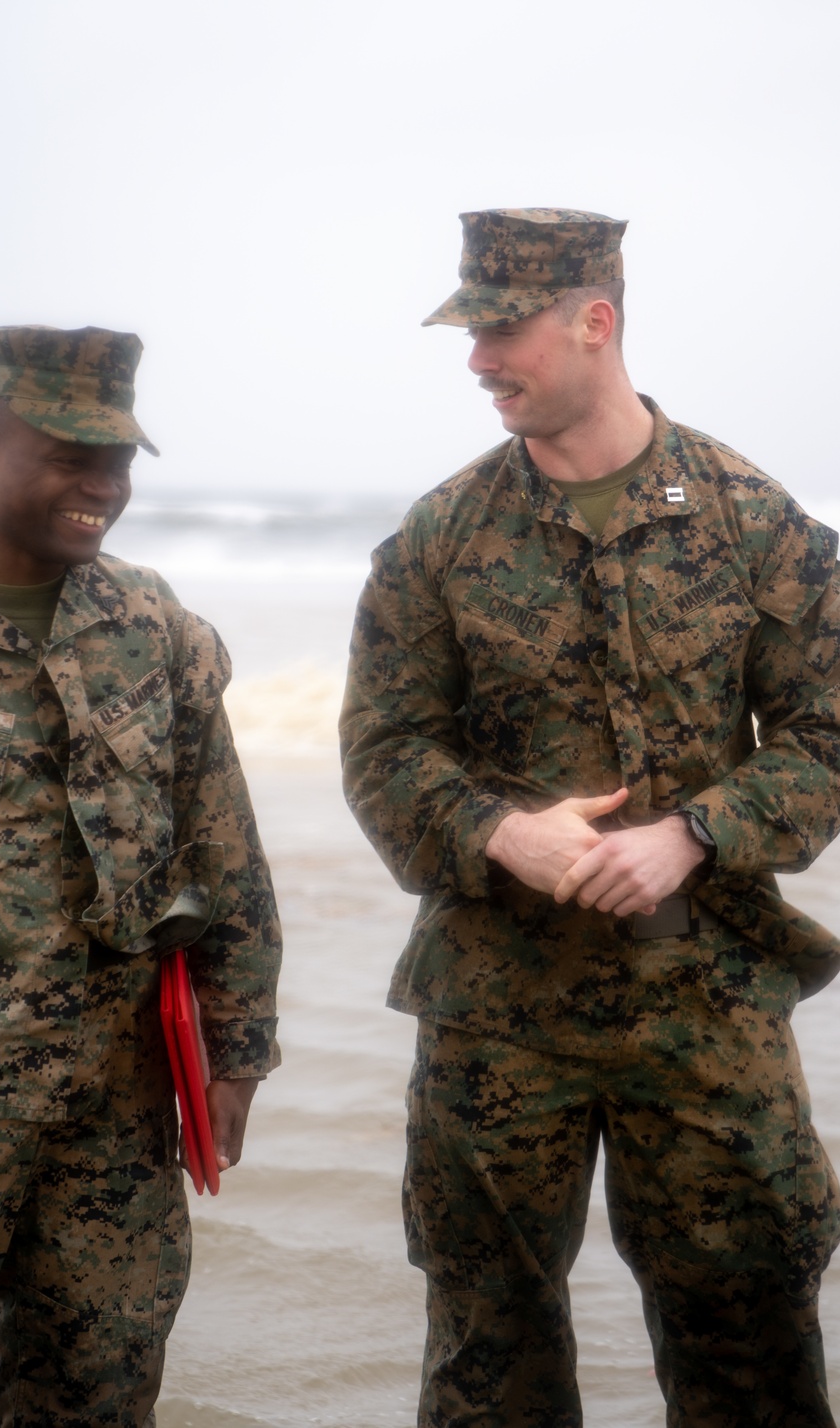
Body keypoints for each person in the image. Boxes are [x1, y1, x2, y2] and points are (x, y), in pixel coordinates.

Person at [340, 209, 840, 1426]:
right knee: (486, 1359)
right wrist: (499, 832)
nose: (477, 361)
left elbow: (830, 735)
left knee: (751, 1352)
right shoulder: (440, 538)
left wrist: (697, 832)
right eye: (470, 333)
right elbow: (383, 747)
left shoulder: (750, 521)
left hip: (707, 1011)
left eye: (501, 331)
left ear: (593, 322)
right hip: (497, 1018)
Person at [0, 326, 282, 1427]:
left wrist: (237, 1049)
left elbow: (223, 849)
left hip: (118, 1115)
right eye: (70, 457)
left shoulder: (153, 627)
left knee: (102, 1399)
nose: (102, 487)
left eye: (120, 461)